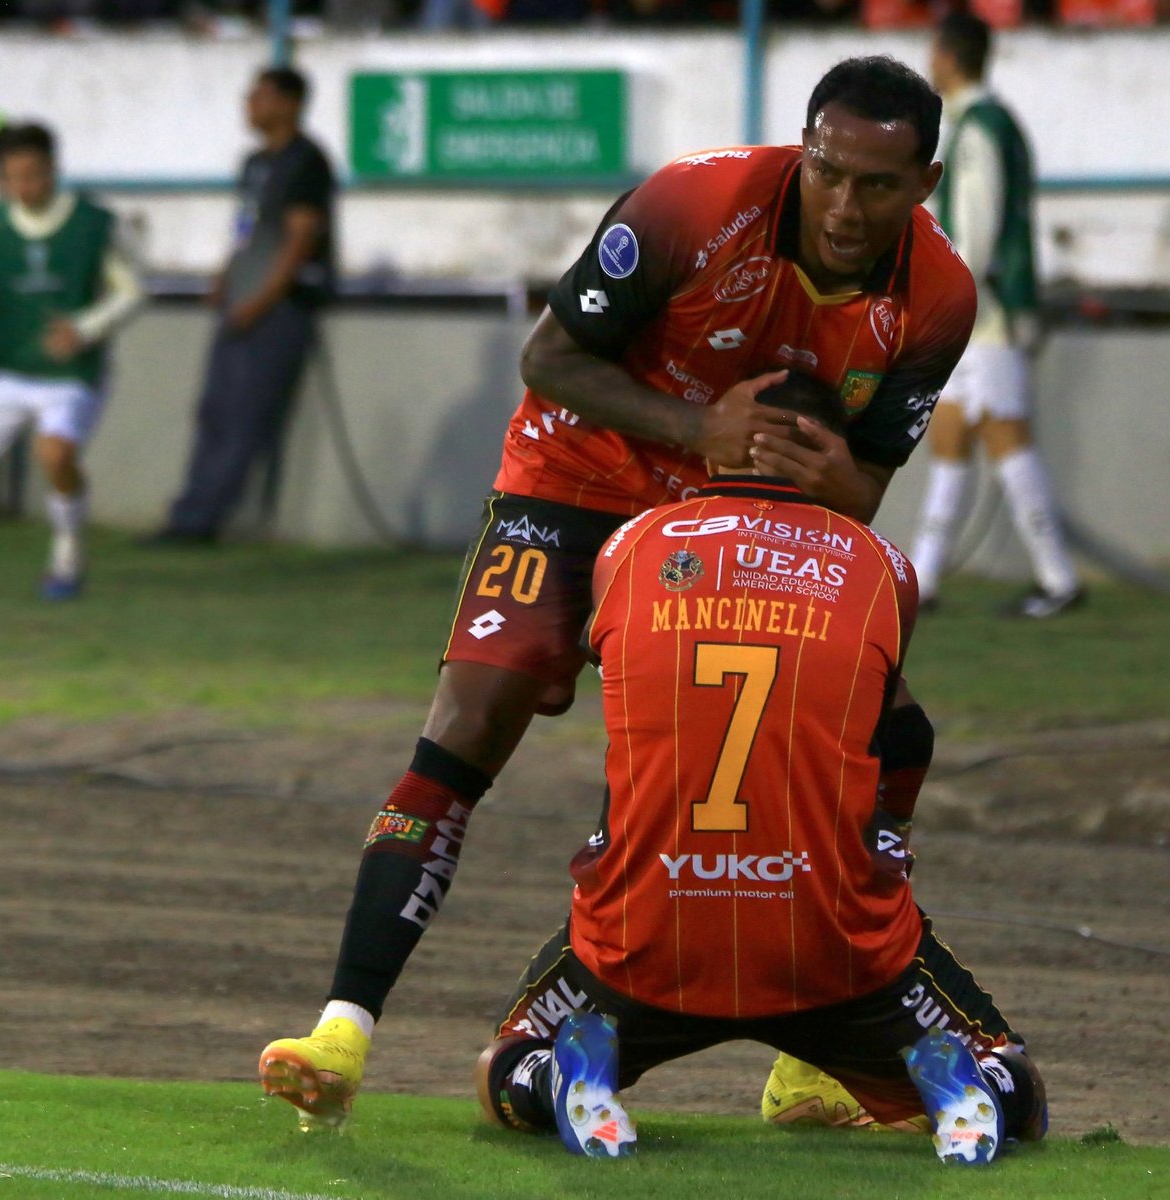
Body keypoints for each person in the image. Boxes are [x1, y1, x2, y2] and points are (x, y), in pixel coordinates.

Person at [258, 55, 977, 1132]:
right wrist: (698, 428)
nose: (843, 205)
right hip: (576, 476)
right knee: (474, 714)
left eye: (876, 186)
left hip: (727, 515)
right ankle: (341, 1032)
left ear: (924, 184)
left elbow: (864, 488)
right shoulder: (695, 204)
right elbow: (547, 357)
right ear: (803, 151)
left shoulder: (939, 299)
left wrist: (826, 477)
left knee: (890, 737)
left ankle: (815, 1051)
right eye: (827, 172)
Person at [473, 372, 1048, 1164]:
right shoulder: (882, 565)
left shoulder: (630, 546)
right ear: (826, 451)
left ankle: (561, 1078)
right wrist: (890, 847)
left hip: (648, 930)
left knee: (503, 1062)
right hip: (829, 938)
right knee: (1017, 1083)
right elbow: (905, 735)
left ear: (723, 442)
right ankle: (960, 1085)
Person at [908, 13, 1085, 619]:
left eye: (934, 50)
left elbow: (977, 233)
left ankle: (1059, 579)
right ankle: (922, 580)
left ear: (949, 56)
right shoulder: (983, 123)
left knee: (1007, 438)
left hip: (987, 314)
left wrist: (950, 297)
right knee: (951, 436)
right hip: (980, 313)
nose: (929, 60)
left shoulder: (980, 127)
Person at [0, 123, 145, 597]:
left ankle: (67, 555)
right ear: (2, 179)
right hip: (4, 369)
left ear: (53, 170)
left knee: (55, 453)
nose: (25, 186)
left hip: (69, 372)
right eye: (13, 177)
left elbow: (132, 292)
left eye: (34, 175)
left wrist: (84, 328)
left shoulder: (92, 225)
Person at [147, 66, 334, 544]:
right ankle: (189, 510)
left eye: (261, 96)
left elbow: (299, 239)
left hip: (276, 308)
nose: (249, 104)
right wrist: (227, 276)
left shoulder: (307, 162)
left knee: (245, 413)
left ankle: (204, 519)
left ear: (290, 104)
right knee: (215, 409)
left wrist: (261, 300)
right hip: (241, 301)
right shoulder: (254, 163)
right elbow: (246, 228)